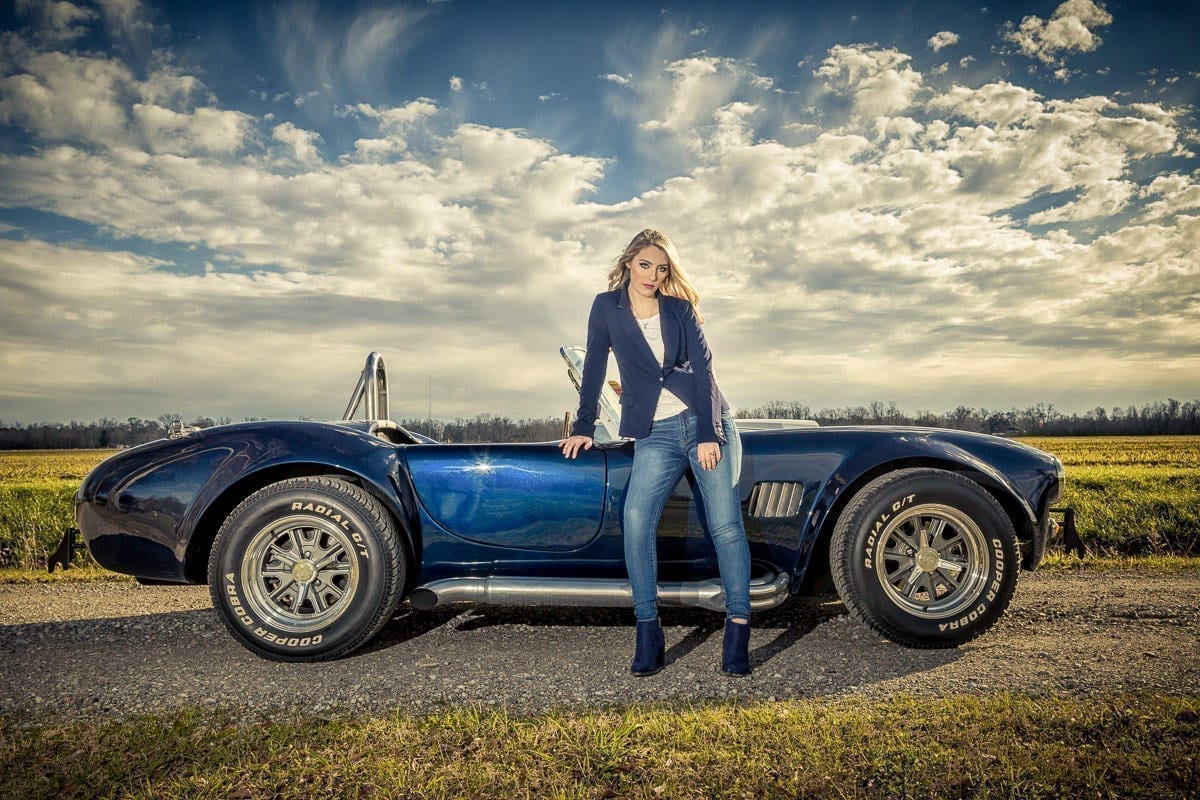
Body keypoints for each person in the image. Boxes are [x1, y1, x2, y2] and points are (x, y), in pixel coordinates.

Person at [560, 229, 752, 677]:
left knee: (725, 524)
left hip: (706, 422)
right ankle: (648, 630)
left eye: (662, 268)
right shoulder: (606, 307)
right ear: (629, 262)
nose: (653, 275)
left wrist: (709, 433)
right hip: (655, 431)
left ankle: (738, 628)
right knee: (636, 519)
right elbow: (594, 366)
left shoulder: (679, 309)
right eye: (645, 265)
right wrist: (584, 426)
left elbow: (705, 370)